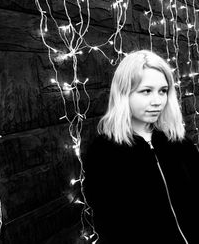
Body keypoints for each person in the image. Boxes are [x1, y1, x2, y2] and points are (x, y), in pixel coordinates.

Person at [83, 50, 199, 244]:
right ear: (124, 93)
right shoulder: (104, 152)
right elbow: (109, 225)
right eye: (146, 91)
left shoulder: (179, 142)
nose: (157, 101)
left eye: (163, 91)